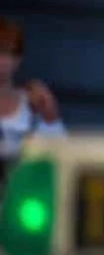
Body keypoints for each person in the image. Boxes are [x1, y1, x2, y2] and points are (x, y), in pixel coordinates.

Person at [0, 18, 64, 161]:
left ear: (17, 59)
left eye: (5, 52)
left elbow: (59, 154)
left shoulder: (35, 102)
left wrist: (49, 117)